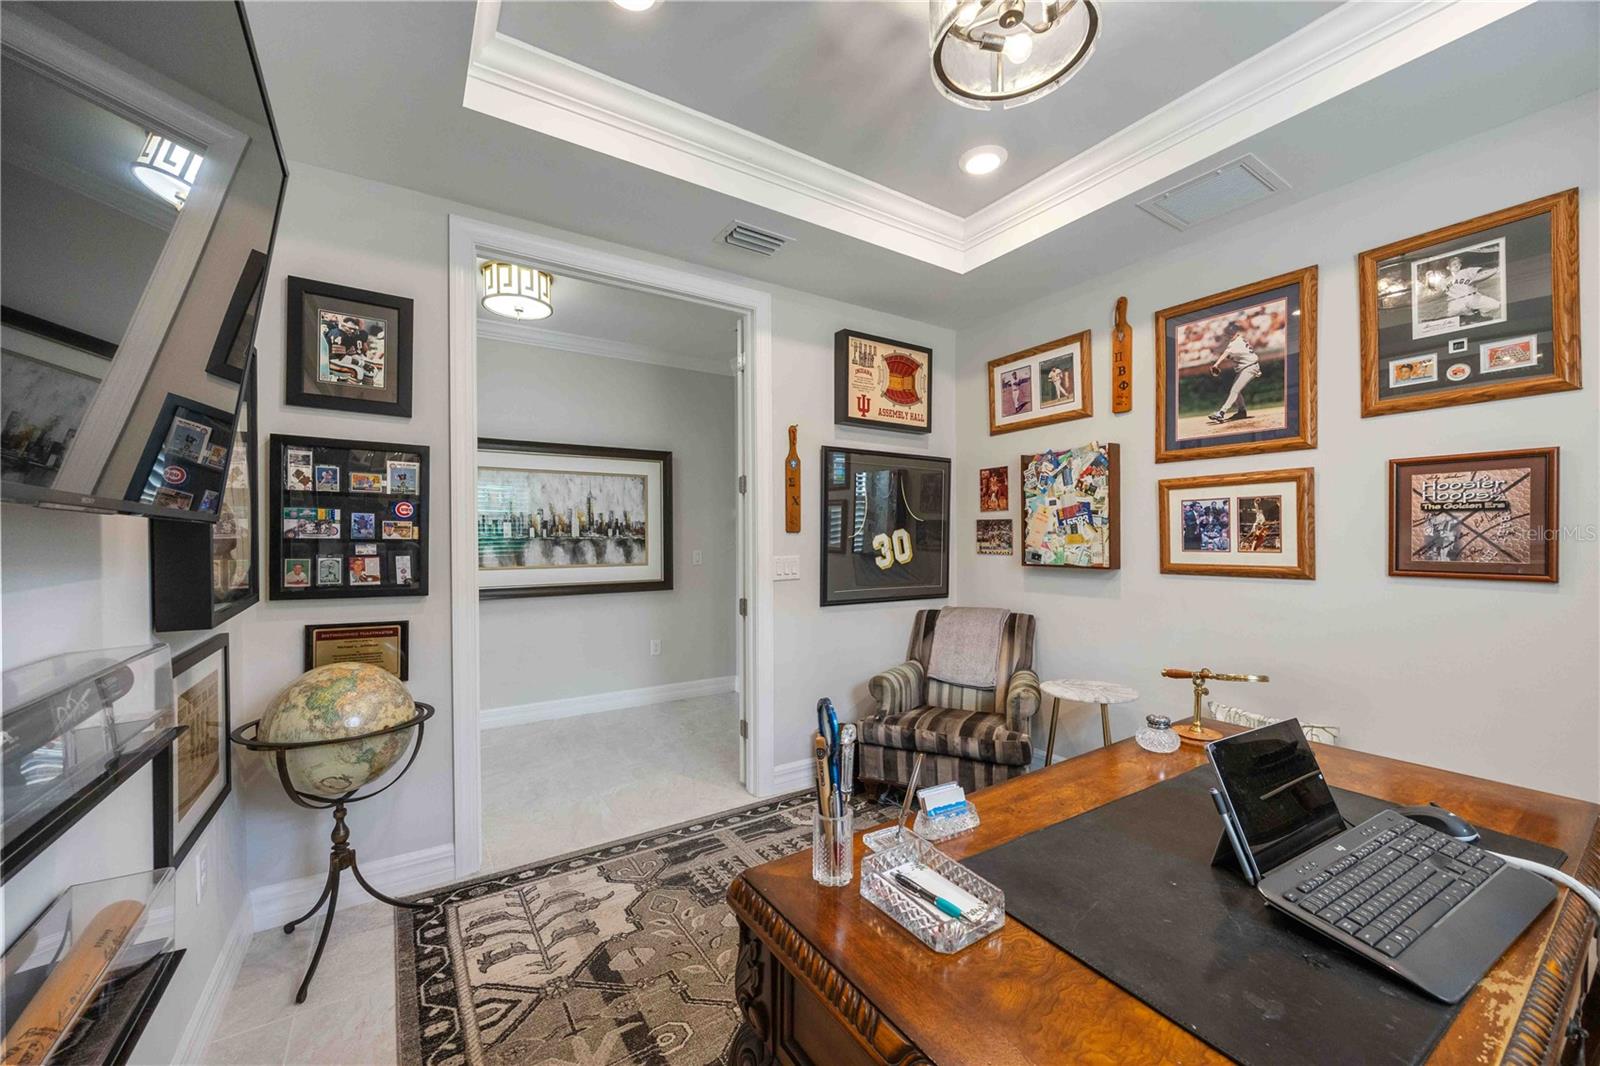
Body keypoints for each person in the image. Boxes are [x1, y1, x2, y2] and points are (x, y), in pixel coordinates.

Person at [1207, 319, 1260, 424]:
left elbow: (1225, 354)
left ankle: (1221, 413)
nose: (1229, 335)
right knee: (1236, 390)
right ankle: (1241, 411)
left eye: (1228, 334)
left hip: (1249, 367)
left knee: (1235, 390)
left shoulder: (1235, 344)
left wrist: (1216, 364)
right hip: (1248, 367)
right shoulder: (1240, 339)